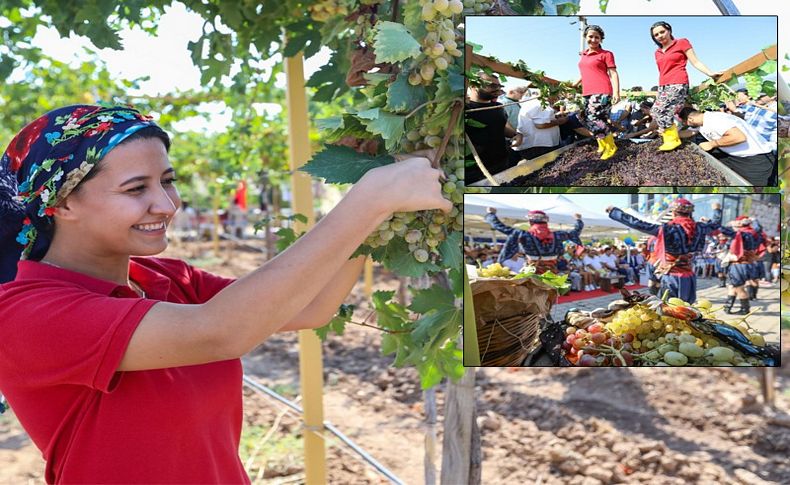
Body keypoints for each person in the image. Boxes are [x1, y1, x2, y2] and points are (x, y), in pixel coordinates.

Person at [0, 104, 451, 483]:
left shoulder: (164, 279)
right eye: (136, 188)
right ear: (60, 203)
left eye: (167, 180)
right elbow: (220, 332)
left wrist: (376, 214)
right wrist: (368, 201)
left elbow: (311, 305)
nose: (166, 204)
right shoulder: (25, 313)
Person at [606, 199, 722, 303]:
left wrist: (615, 212)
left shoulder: (667, 229)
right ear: (690, 213)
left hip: (672, 277)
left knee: (668, 310)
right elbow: (716, 224)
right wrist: (716, 210)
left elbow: (638, 223)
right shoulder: (700, 227)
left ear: (673, 213)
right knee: (687, 309)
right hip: (689, 276)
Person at [649, 21, 722, 151]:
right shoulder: (657, 52)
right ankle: (671, 138)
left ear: (669, 31)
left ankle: (672, 139)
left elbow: (695, 61)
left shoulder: (681, 42)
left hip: (678, 82)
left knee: (661, 110)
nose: (660, 35)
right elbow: (662, 71)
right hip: (663, 85)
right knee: (655, 111)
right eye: (656, 35)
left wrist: (710, 73)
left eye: (662, 32)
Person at [678, 107, 775, 186]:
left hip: (756, 160)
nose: (686, 125)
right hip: (736, 156)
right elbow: (688, 132)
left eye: (684, 123)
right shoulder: (702, 122)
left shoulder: (716, 120)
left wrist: (712, 144)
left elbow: (739, 137)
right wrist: (671, 134)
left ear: (690, 119)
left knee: (753, 188)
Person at [484, 207, 583, 274]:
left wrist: (491, 214)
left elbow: (501, 227)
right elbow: (575, 232)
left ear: (530, 221)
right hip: (551, 273)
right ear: (546, 221)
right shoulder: (558, 235)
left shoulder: (524, 234)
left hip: (531, 273)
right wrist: (578, 220)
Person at [574, 25, 620, 159]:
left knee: (594, 118)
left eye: (597, 37)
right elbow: (586, 72)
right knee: (586, 118)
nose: (593, 39)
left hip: (602, 90)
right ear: (585, 37)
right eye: (590, 36)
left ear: (601, 39)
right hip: (587, 92)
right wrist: (575, 83)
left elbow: (613, 73)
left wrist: (616, 92)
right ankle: (602, 143)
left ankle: (611, 146)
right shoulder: (583, 55)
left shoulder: (606, 54)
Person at [465, 73, 519, 183]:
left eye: (499, 86)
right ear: (473, 86)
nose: (497, 89)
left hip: (502, 162)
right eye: (492, 85)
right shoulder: (465, 108)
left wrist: (516, 135)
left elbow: (501, 127)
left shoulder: (498, 107)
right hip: (476, 170)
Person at [718, 216, 765, 314]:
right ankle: (728, 307)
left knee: (739, 288)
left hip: (739, 265)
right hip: (748, 264)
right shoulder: (754, 233)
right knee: (732, 286)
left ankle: (745, 309)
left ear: (741, 223)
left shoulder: (741, 233)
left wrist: (728, 224)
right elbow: (759, 228)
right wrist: (754, 220)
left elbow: (723, 230)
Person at [511, 88, 568, 161]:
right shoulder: (541, 104)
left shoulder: (532, 102)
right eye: (557, 96)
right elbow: (540, 125)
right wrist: (560, 121)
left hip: (537, 145)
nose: (557, 99)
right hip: (540, 146)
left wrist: (554, 117)